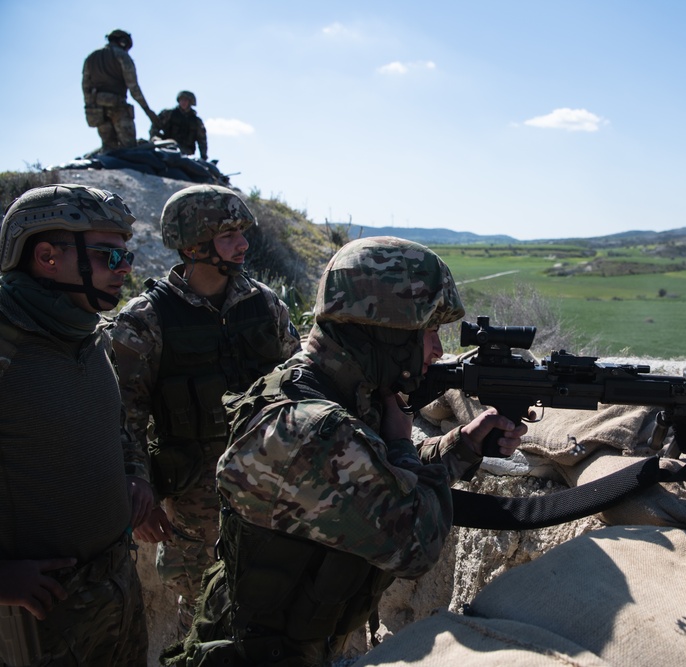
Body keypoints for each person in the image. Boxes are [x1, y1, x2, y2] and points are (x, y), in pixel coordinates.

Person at [162, 236, 527, 666]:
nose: (437, 349)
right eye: (427, 329)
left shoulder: (337, 392)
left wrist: (463, 445)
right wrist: (399, 440)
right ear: (380, 329)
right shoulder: (308, 430)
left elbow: (378, 478)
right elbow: (416, 543)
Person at [111, 184, 300, 635]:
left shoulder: (264, 304)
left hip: (271, 485)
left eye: (242, 232)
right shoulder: (146, 319)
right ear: (195, 243)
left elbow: (299, 382)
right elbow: (125, 416)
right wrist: (140, 493)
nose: (243, 244)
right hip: (195, 501)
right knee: (203, 614)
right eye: (229, 234)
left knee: (278, 606)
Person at [0, 184, 151, 665]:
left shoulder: (91, 334)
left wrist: (133, 474)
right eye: (111, 256)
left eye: (128, 256)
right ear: (46, 256)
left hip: (115, 589)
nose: (125, 270)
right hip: (36, 615)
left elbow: (113, 422)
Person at [82, 28, 160, 152]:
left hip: (97, 109)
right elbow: (133, 87)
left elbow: (85, 87)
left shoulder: (91, 58)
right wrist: (147, 110)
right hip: (117, 106)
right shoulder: (122, 56)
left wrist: (90, 106)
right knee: (129, 149)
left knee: (108, 148)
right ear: (123, 42)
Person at [152, 91, 209, 160]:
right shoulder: (168, 114)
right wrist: (155, 139)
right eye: (181, 100)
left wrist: (203, 156)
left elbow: (202, 140)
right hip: (167, 147)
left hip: (186, 153)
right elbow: (155, 127)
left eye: (185, 100)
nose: (183, 102)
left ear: (190, 102)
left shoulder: (196, 121)